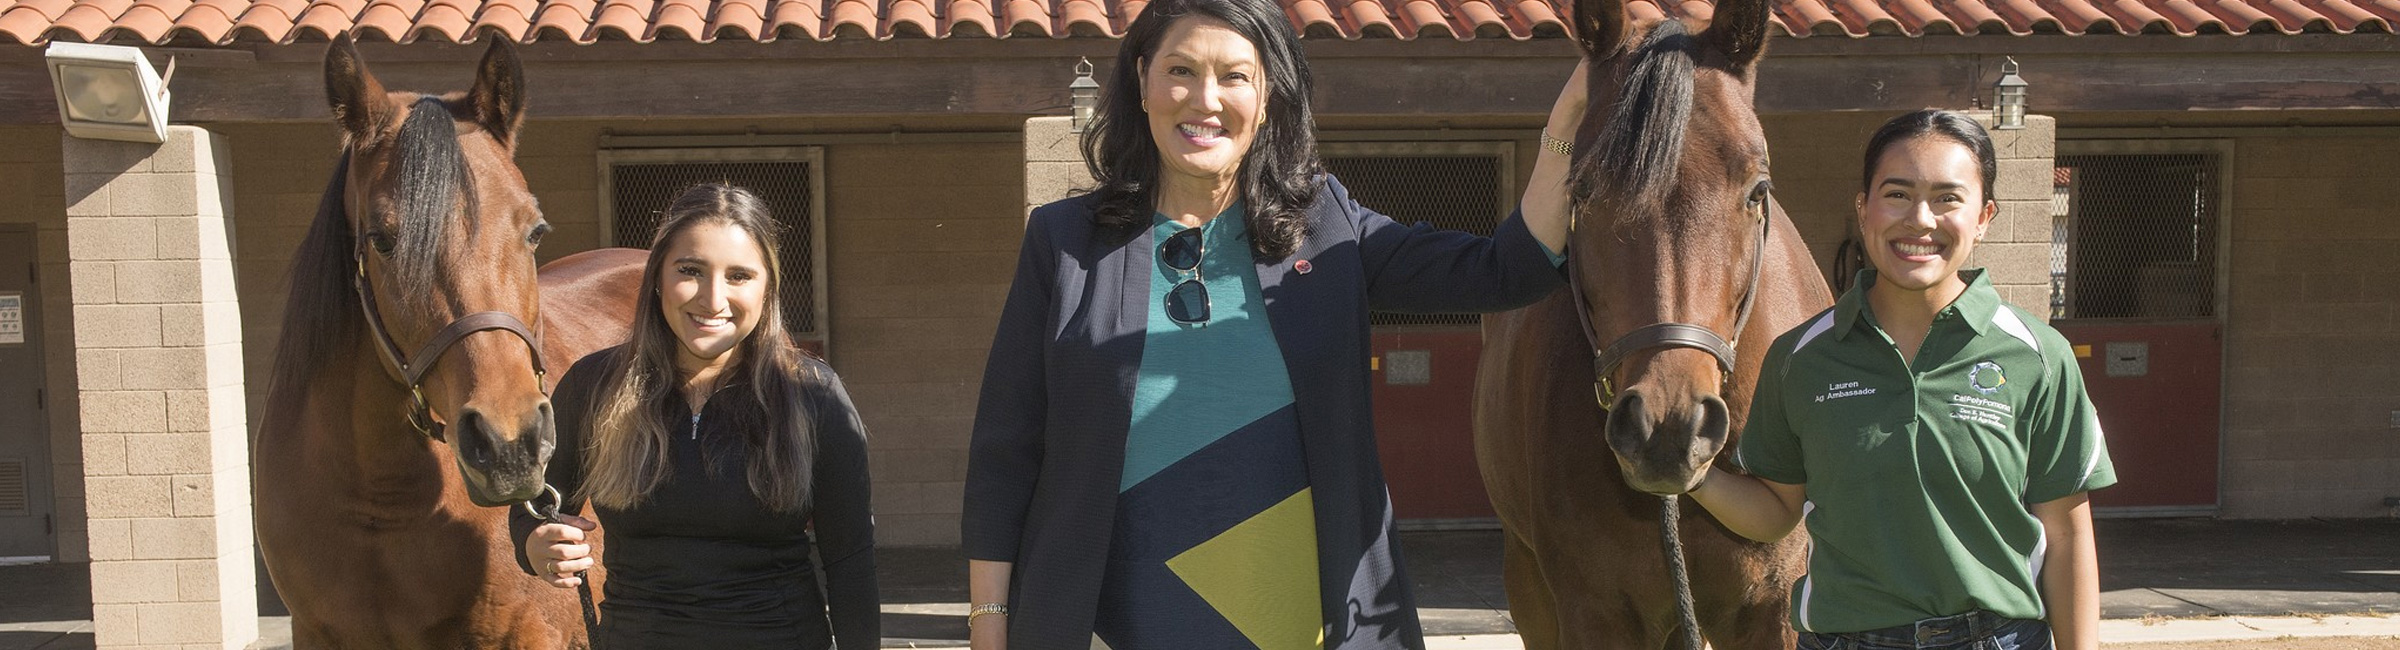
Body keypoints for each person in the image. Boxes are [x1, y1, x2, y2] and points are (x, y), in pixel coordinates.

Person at [958, 0, 1587, 645]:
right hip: (1102, 628)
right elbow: (1006, 448)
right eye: (1180, 70)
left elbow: (1504, 270)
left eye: (1235, 76)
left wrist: (1567, 124)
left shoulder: (1327, 229)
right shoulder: (1063, 242)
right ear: (1143, 82)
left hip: (1299, 626)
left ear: (1269, 100)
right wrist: (989, 620)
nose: (1205, 99)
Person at [1686, 109, 2115, 650]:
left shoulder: (2037, 356)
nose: (1921, 219)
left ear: (1984, 217)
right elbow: (1777, 513)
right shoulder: (1799, 358)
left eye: (1947, 198)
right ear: (1863, 209)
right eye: (1897, 194)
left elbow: (2068, 534)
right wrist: (1694, 478)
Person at [514, 183, 878, 648]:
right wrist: (536, 545)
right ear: (658, 279)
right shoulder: (594, 384)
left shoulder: (813, 394)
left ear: (768, 288)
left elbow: (851, 560)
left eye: (739, 276)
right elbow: (534, 509)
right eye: (691, 270)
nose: (712, 299)